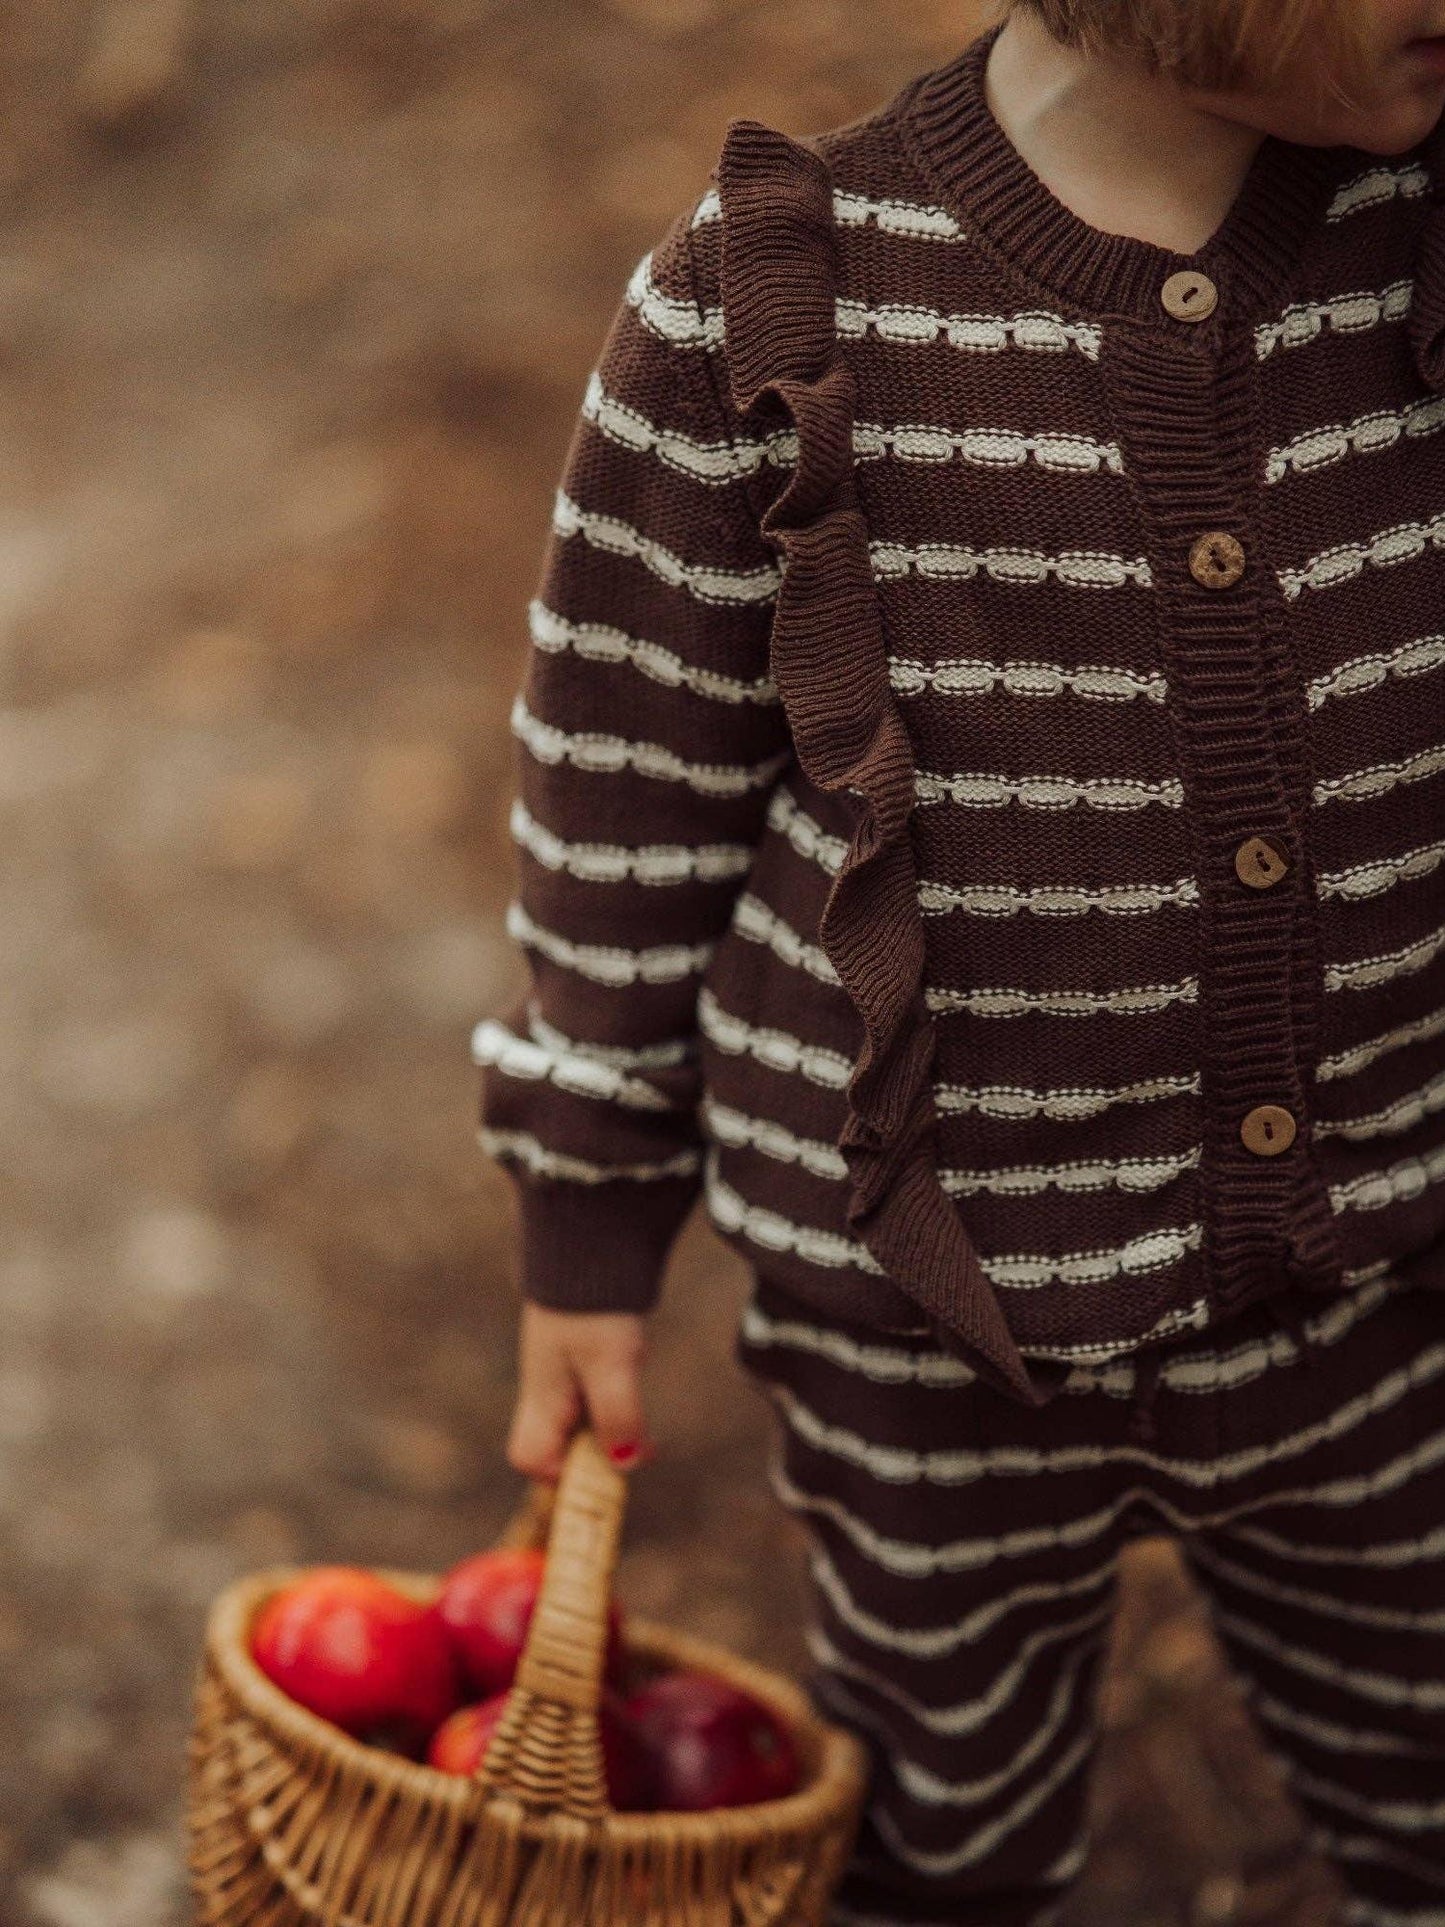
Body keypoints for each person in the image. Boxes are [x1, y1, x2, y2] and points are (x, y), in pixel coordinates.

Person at [472, 2, 1445, 1918]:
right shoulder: (769, 312)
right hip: (928, 1320)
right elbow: (621, 790)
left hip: (1376, 1270)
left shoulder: (1409, 252)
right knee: (942, 1829)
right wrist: (586, 1210)